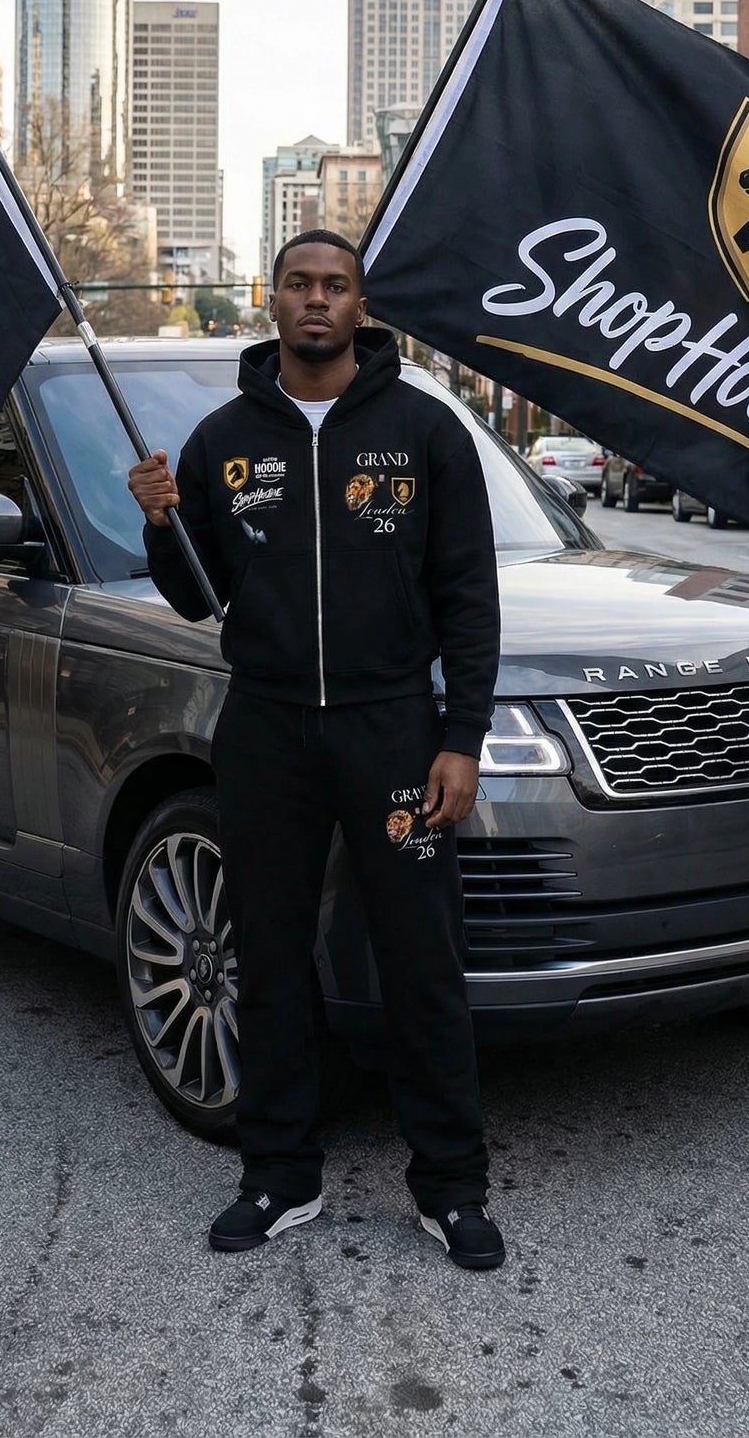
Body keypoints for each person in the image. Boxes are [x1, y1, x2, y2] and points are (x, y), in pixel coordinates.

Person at [126, 230, 503, 1270]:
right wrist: (162, 523)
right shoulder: (221, 441)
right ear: (273, 299)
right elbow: (198, 595)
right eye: (298, 285)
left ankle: (450, 1187)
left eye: (334, 286)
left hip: (392, 729)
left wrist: (458, 737)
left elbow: (467, 598)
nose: (316, 301)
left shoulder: (424, 432)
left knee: (422, 960)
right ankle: (279, 1176)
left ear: (358, 304)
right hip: (267, 728)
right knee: (270, 960)